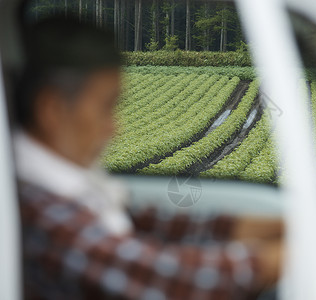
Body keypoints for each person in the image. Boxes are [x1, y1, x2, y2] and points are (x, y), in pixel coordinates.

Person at [14, 17, 283, 300]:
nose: (114, 127)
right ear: (52, 110)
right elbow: (171, 279)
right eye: (106, 107)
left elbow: (152, 222)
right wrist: (302, 250)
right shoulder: (40, 211)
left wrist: (285, 226)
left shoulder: (70, 189)